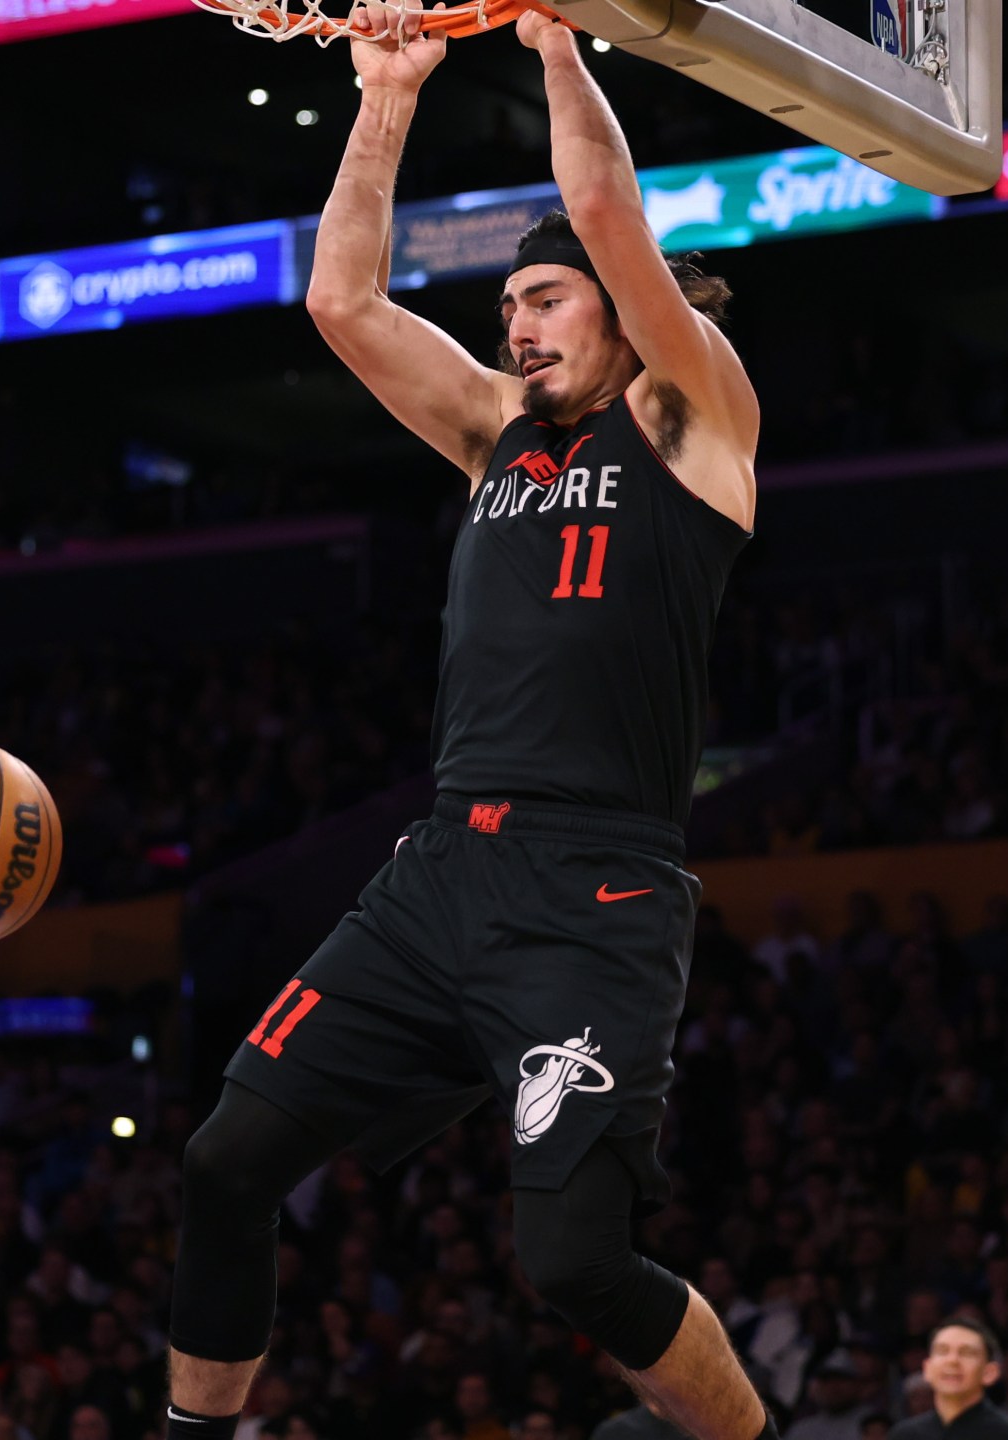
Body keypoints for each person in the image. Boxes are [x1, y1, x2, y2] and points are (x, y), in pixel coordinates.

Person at [162, 7, 766, 1440]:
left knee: (572, 1263)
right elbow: (344, 307)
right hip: (441, 874)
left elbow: (612, 212)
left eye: (545, 303)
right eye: (512, 312)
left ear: (625, 311)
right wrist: (388, 97)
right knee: (224, 1160)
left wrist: (560, 41)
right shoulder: (499, 433)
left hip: (594, 886)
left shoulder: (696, 418)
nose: (517, 325)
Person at [886, 1321, 1008, 1440]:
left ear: (989, 1372)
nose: (952, 1361)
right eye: (942, 1351)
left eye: (966, 1353)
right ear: (927, 1368)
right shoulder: (904, 1435)